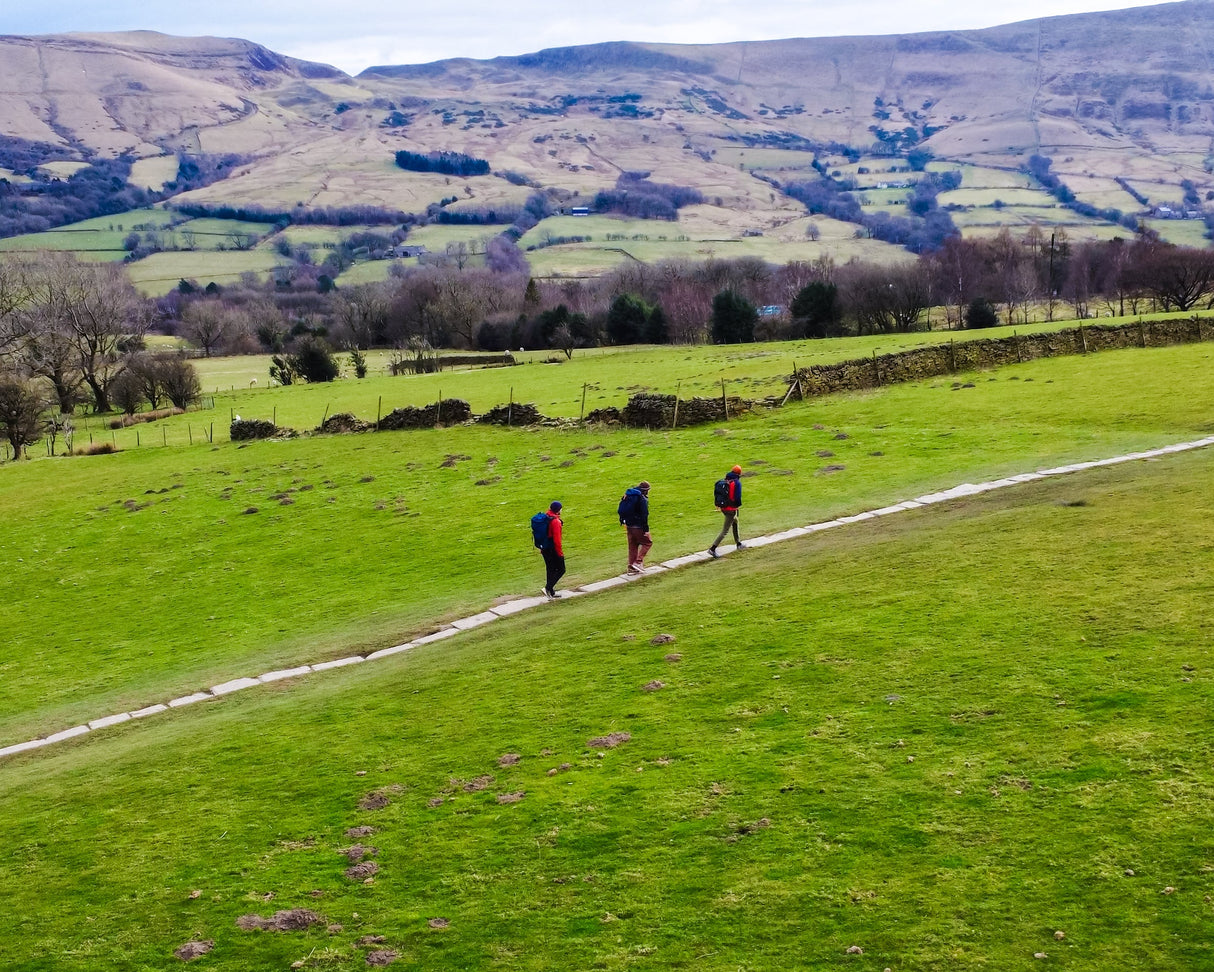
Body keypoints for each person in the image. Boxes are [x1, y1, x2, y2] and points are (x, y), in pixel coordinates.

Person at [708, 465, 745, 559]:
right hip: (731, 509)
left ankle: (738, 543)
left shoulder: (725, 480)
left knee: (735, 522)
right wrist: (737, 506)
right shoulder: (736, 483)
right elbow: (737, 498)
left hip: (723, 507)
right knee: (725, 530)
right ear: (739, 473)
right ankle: (712, 549)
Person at [617, 480, 652, 573]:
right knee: (647, 543)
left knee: (633, 546)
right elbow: (644, 515)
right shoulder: (642, 499)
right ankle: (638, 562)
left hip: (628, 525)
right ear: (646, 490)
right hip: (638, 526)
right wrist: (646, 530)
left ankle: (631, 568)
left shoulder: (628, 495)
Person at [538, 501, 565, 599]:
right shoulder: (556, 522)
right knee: (561, 569)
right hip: (553, 549)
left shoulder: (546, 516)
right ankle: (547, 588)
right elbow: (557, 541)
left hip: (544, 548)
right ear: (558, 510)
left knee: (550, 569)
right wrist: (560, 553)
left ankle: (551, 592)